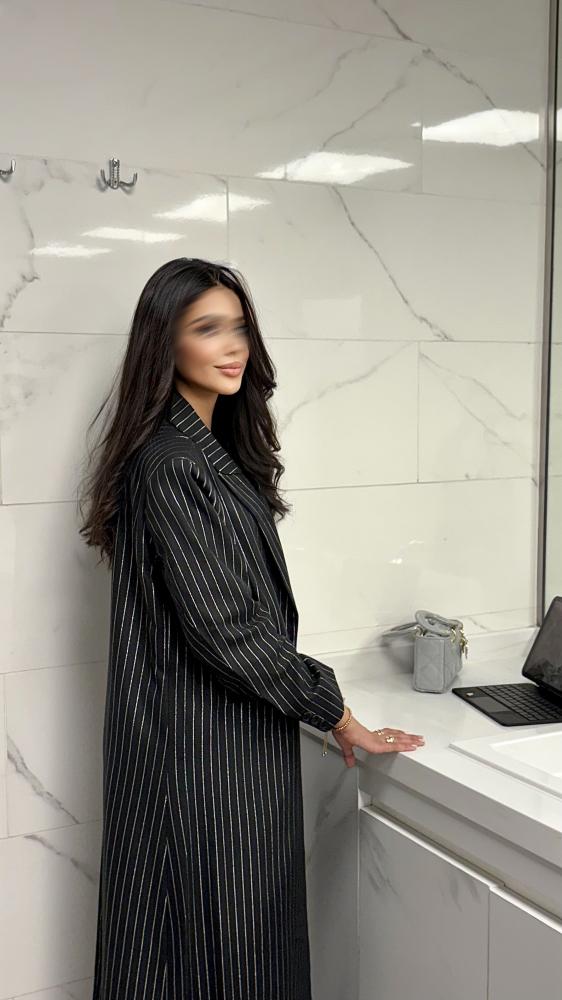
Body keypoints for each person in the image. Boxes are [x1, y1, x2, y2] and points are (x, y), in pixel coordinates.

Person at [78, 257, 424, 1000]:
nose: (232, 345)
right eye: (207, 329)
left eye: (238, 327)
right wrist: (337, 712)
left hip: (215, 741)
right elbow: (226, 630)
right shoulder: (172, 463)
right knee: (222, 953)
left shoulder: (205, 451)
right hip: (203, 754)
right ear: (164, 343)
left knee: (204, 950)